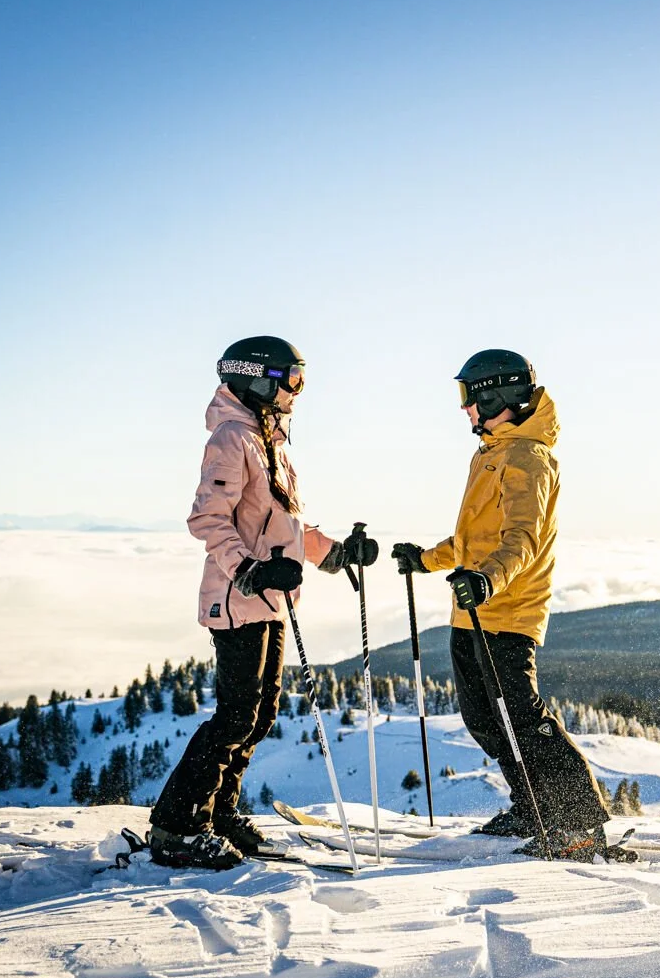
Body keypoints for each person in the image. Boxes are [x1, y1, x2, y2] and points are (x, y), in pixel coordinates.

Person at [148, 336, 377, 869]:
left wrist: (337, 554)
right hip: (238, 597)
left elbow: (284, 526)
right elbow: (209, 519)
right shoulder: (232, 438)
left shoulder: (268, 440)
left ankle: (219, 811)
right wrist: (248, 570)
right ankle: (178, 825)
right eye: (291, 381)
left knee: (260, 712)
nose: (298, 393)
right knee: (235, 715)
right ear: (257, 380)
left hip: (270, 598)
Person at [391, 350, 617, 861]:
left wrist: (488, 583)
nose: (465, 408)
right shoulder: (492, 453)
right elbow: (475, 539)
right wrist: (425, 560)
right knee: (486, 721)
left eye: (469, 396)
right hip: (471, 611)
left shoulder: (527, 458)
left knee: (521, 717)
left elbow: (521, 539)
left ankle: (579, 823)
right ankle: (533, 807)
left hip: (507, 612)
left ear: (497, 394)